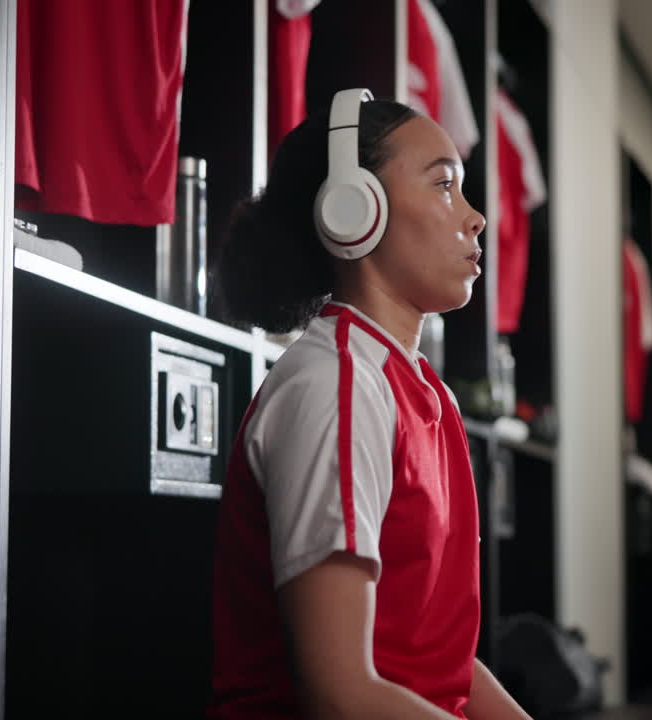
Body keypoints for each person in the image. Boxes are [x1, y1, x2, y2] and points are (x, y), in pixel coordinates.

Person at [209, 89, 529, 720]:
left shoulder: (419, 389)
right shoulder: (334, 386)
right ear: (354, 211)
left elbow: (438, 656)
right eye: (444, 185)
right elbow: (341, 694)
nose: (475, 218)